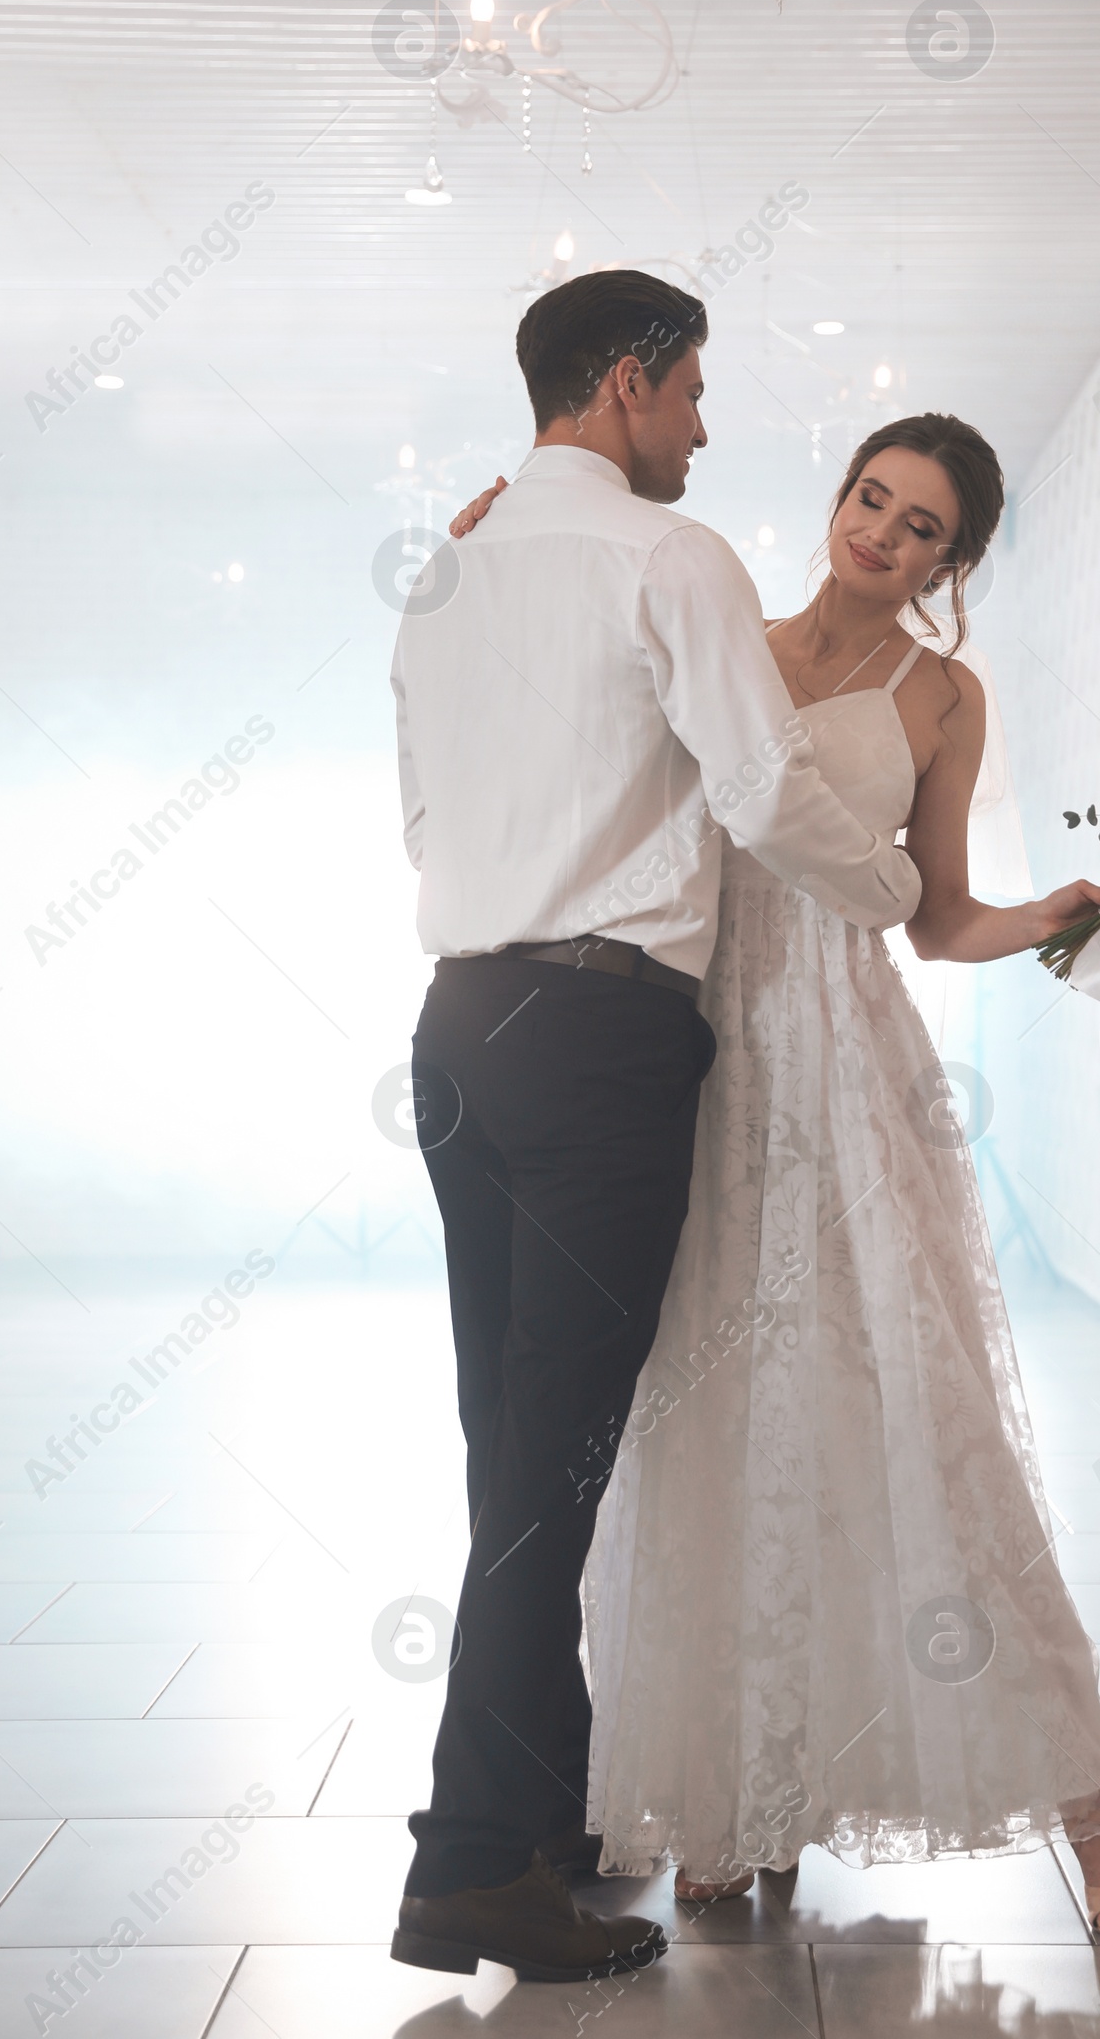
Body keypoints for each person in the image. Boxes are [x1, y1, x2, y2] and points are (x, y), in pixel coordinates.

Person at [452, 410, 1100, 1942]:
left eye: (921, 528)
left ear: (953, 564)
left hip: (850, 1067)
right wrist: (490, 562)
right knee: (708, 1417)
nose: (881, 536)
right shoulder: (721, 628)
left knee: (919, 1408)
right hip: (691, 1055)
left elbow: (936, 918)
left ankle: (1091, 1809)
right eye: (870, 499)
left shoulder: (942, 696)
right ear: (836, 498)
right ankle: (732, 1791)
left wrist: (1060, 916)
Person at [387, 271, 927, 1985]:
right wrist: (897, 884)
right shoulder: (672, 560)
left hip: (462, 1022)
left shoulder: (445, 570)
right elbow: (765, 790)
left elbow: (419, 806)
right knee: (552, 1475)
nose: (702, 424)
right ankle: (470, 1868)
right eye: (692, 391)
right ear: (625, 384)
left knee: (512, 1450)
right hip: (602, 1035)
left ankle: (541, 1821)